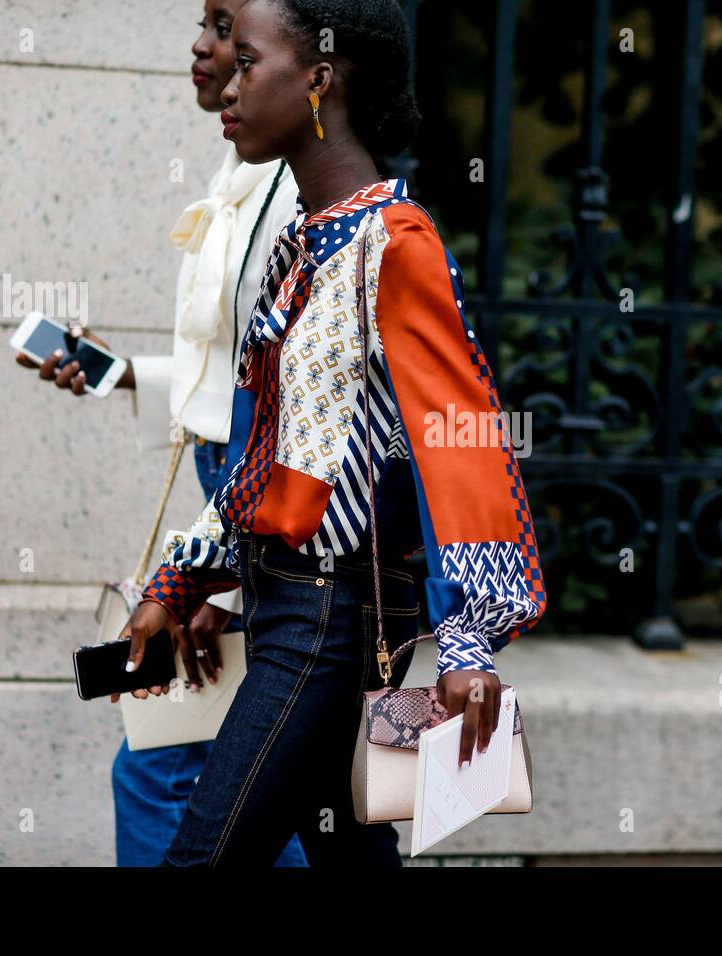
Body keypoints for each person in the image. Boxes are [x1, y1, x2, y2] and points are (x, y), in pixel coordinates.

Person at [121, 0, 547, 866]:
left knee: (200, 859)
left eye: (248, 64)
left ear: (319, 78)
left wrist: (471, 636)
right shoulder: (304, 246)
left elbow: (463, 441)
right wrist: (187, 577)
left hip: (326, 626)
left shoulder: (396, 243)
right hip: (288, 608)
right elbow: (268, 458)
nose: (227, 88)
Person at [14, 0, 306, 867]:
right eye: (205, 22)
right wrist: (125, 372)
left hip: (263, 516)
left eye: (228, 32)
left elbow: (301, 419)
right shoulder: (243, 172)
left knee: (171, 771)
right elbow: (239, 381)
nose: (201, 45)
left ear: (308, 63)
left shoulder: (295, 198)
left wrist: (220, 584)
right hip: (240, 503)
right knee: (244, 786)